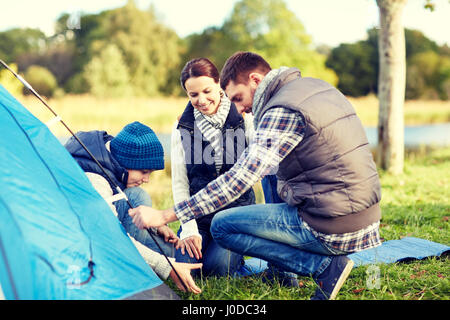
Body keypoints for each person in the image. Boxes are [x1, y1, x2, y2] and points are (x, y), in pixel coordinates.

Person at [129, 52, 382, 300]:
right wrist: (189, 227)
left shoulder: (278, 111)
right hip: (367, 221)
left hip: (332, 225)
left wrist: (164, 215)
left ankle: (316, 268)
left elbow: (242, 179)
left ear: (255, 80)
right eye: (193, 94)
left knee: (223, 235)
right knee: (196, 264)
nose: (240, 108)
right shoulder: (316, 88)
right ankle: (285, 269)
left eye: (237, 97)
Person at [65, 121, 202, 294]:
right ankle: (130, 273)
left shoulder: (108, 157)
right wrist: (167, 267)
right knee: (170, 261)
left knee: (137, 195)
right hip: (87, 244)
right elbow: (111, 237)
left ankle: (165, 263)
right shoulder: (96, 181)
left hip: (98, 224)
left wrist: (158, 225)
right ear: (125, 162)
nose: (147, 180)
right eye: (144, 172)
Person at [171, 57, 255, 277]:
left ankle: (235, 260)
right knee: (190, 268)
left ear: (219, 84)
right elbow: (180, 184)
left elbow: (258, 170)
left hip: (234, 217)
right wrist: (188, 230)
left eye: (207, 90)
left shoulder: (244, 118)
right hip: (198, 218)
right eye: (193, 94)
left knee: (218, 268)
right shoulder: (182, 126)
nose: (202, 100)